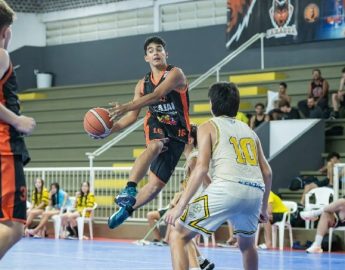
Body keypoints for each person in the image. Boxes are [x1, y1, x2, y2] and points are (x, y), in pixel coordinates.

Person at [165, 82, 272, 270]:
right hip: (255, 193)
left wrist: (180, 207)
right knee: (247, 246)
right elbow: (267, 172)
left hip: (227, 189)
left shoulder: (209, 125)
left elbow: (201, 169)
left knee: (177, 233)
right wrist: (263, 207)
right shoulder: (249, 131)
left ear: (211, 104)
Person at [104, 36, 190, 229]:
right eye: (151, 51)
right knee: (155, 144)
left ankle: (127, 210)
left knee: (154, 187)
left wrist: (126, 106)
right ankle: (129, 189)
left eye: (159, 49)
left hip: (178, 132)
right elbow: (132, 117)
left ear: (166, 54)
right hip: (156, 122)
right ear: (146, 58)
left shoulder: (176, 73)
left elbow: (157, 95)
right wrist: (109, 130)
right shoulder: (141, 84)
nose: (155, 53)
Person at [0, 0, 36, 259]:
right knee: (13, 227)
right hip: (4, 148)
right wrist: (17, 120)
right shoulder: (0, 55)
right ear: (6, 30)